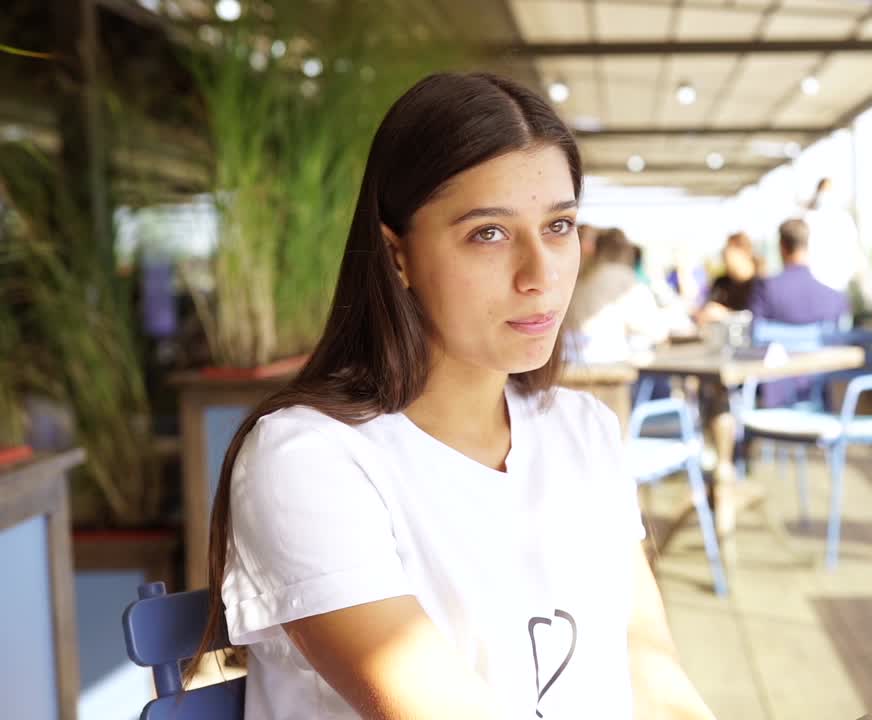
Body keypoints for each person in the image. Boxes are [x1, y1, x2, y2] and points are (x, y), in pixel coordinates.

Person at [192, 72, 715, 720]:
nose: (540, 275)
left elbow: (651, 672)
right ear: (396, 254)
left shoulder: (582, 430)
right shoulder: (309, 461)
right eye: (488, 233)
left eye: (558, 226)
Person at [749, 218, 849, 408]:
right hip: (818, 399)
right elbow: (839, 345)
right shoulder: (834, 298)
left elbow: (754, 335)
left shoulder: (766, 288)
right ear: (807, 245)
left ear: (782, 247)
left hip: (773, 399)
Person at [564, 228, 678, 363]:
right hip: (604, 364)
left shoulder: (578, 276)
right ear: (626, 250)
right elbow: (656, 330)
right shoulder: (623, 277)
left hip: (566, 362)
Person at [803, 177, 872, 312]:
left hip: (837, 290)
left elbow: (854, 254)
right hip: (818, 291)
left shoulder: (842, 220)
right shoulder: (810, 218)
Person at [695, 231, 756, 326]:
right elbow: (706, 311)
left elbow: (759, 318)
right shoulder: (720, 283)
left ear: (744, 252)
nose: (724, 255)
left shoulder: (760, 283)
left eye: (728, 250)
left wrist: (726, 314)